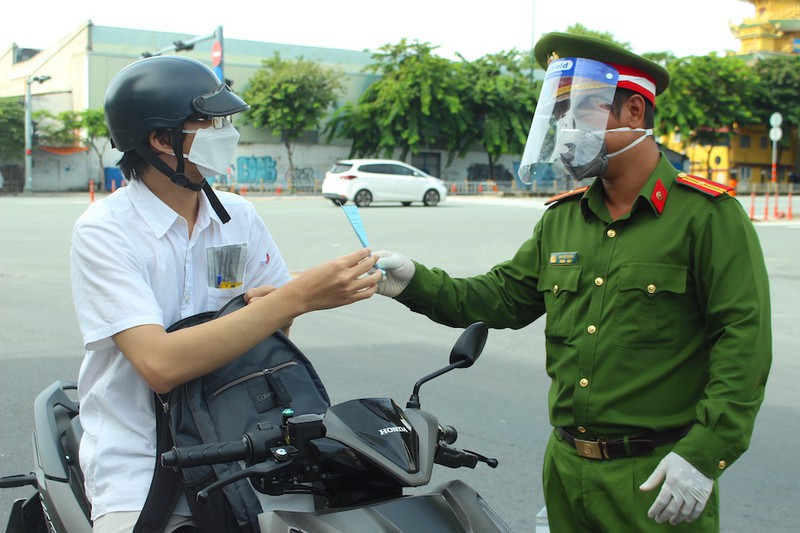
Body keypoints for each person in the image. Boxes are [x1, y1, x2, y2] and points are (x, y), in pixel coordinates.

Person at [375, 32, 771, 532]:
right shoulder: (563, 219)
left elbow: (743, 344)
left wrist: (706, 453)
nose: (565, 128)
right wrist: (414, 281)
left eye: (581, 111)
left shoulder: (708, 217)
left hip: (657, 475)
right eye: (559, 113)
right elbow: (502, 298)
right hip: (566, 467)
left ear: (632, 112)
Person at [70, 55, 381, 532]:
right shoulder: (105, 231)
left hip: (237, 435)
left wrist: (280, 308)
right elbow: (160, 365)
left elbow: (274, 328)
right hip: (138, 458)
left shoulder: (237, 216)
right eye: (211, 122)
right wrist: (293, 298)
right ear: (160, 139)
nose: (226, 132)